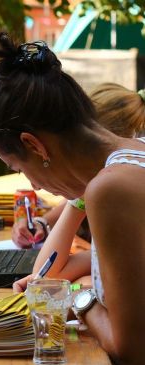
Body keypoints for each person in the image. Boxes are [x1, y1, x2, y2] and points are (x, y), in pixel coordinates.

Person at [0, 32, 145, 365]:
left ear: (34, 144)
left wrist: (77, 300)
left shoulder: (112, 188)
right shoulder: (133, 156)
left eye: (19, 168)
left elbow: (134, 356)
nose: (33, 185)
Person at [11, 82, 145, 248]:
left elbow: (52, 268)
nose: (35, 186)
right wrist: (41, 223)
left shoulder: (111, 187)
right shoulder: (117, 173)